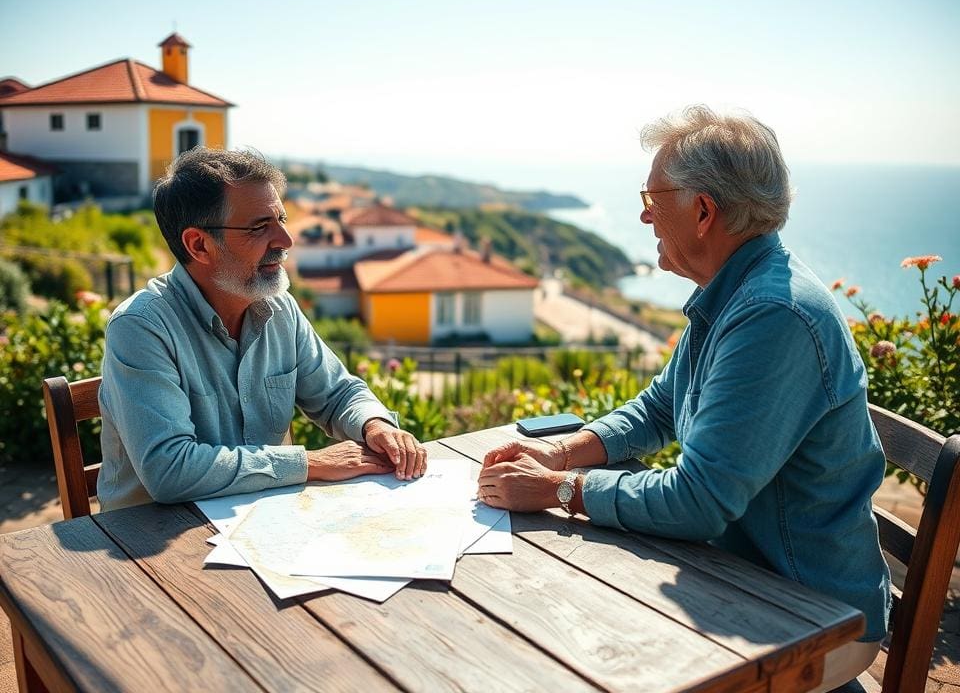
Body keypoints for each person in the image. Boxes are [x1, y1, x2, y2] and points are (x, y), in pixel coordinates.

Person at [478, 105, 889, 691]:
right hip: (740, 573)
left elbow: (699, 501)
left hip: (812, 614)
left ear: (703, 211)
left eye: (652, 196)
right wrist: (562, 453)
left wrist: (560, 491)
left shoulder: (772, 314)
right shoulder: (734, 290)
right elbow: (660, 409)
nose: (644, 215)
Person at [98, 147, 426, 512]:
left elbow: (336, 393)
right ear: (199, 245)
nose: (286, 240)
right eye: (259, 227)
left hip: (260, 520)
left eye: (281, 219)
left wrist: (374, 424)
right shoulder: (141, 327)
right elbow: (170, 468)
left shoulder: (278, 306)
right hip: (149, 540)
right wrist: (312, 464)